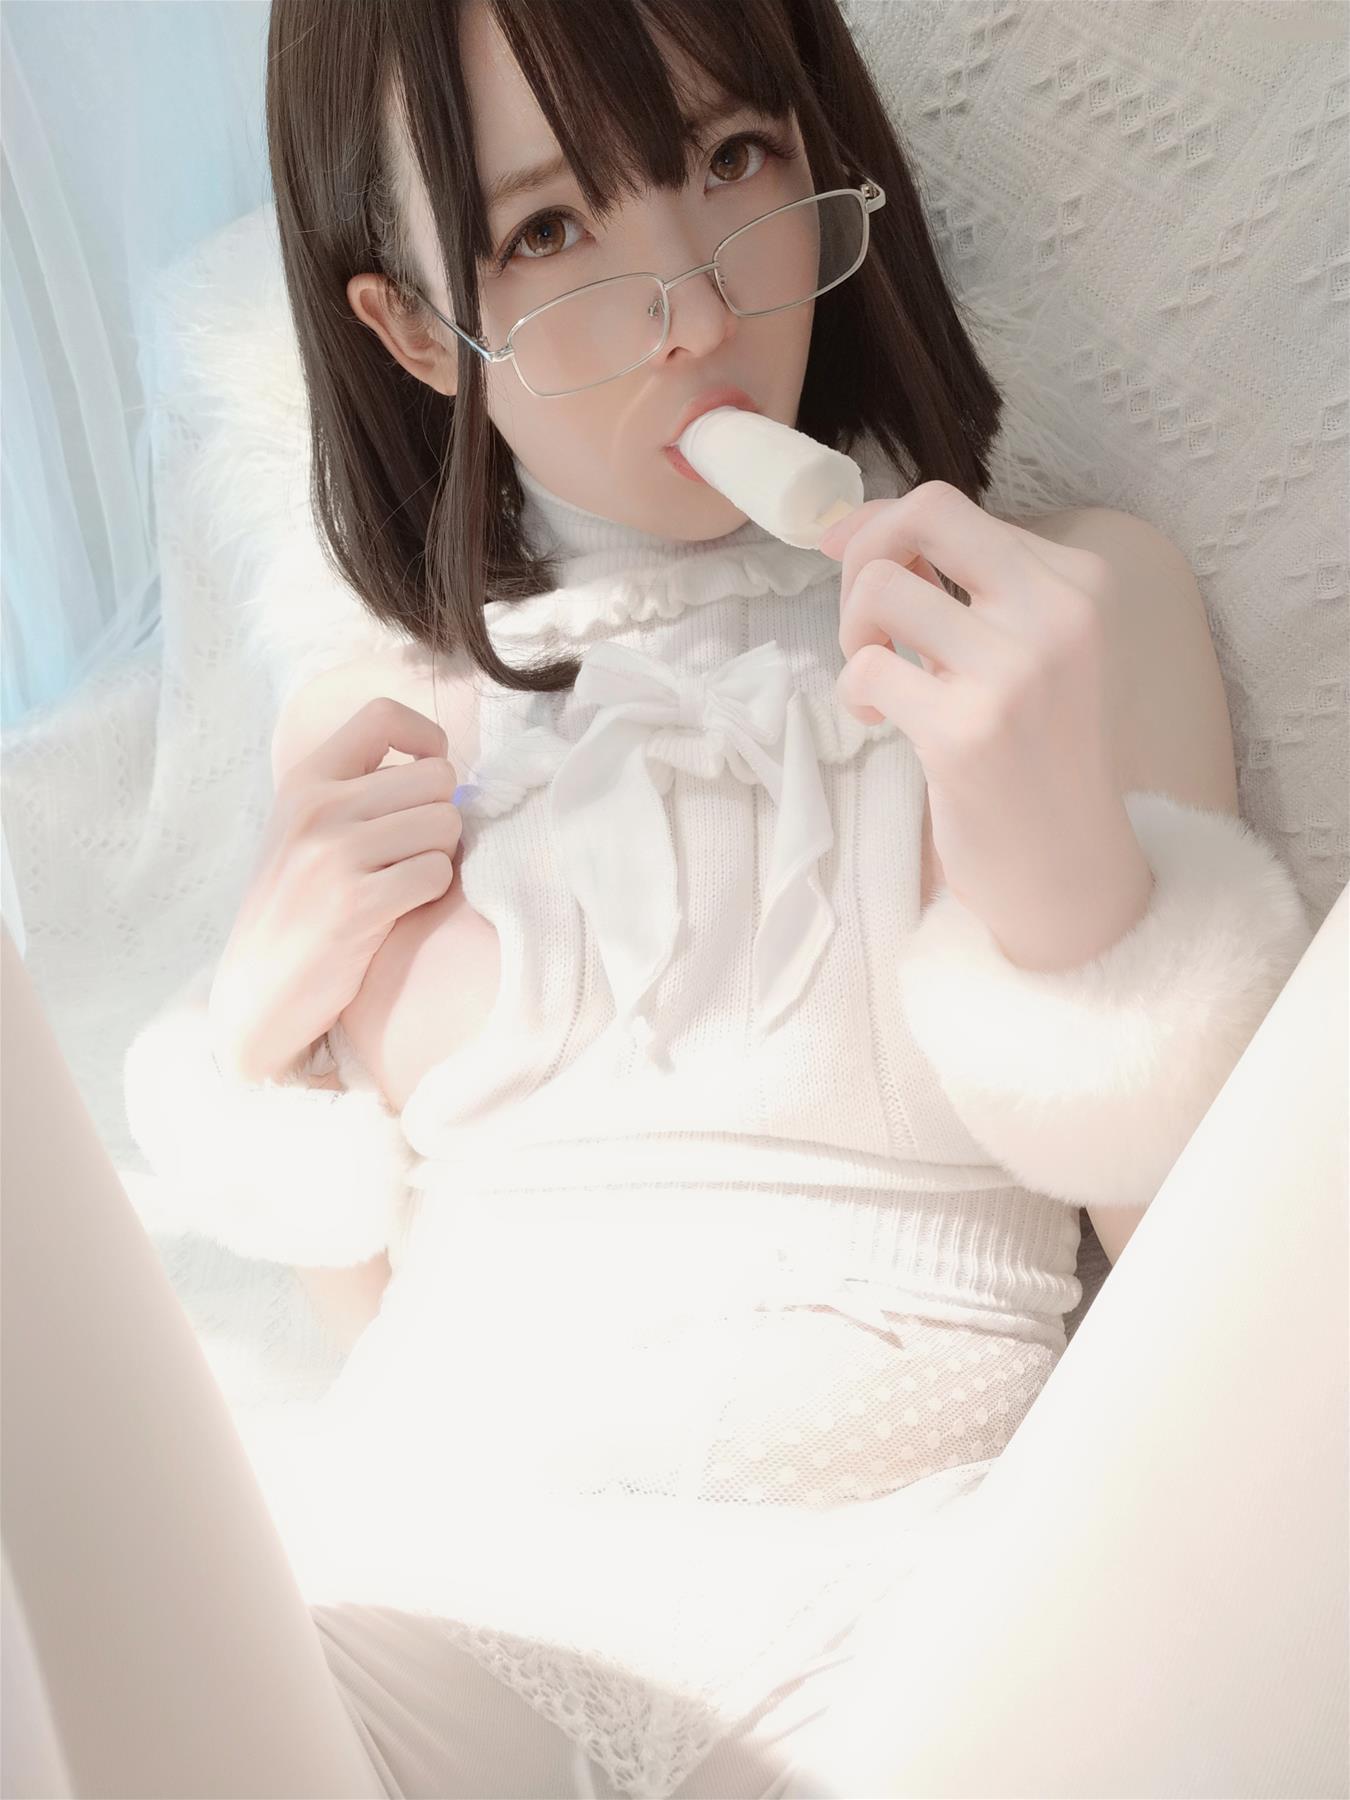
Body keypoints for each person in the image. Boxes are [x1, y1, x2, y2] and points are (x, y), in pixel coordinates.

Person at [94, 0, 1319, 1795]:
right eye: (547, 229)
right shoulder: (381, 727)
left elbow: (1220, 1321)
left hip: (920, 1618)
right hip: (433, 1602)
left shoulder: (1062, 609)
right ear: (415, 331)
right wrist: (259, 1049)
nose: (690, 308)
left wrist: (1066, 882)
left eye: (731, 157)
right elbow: (377, 1328)